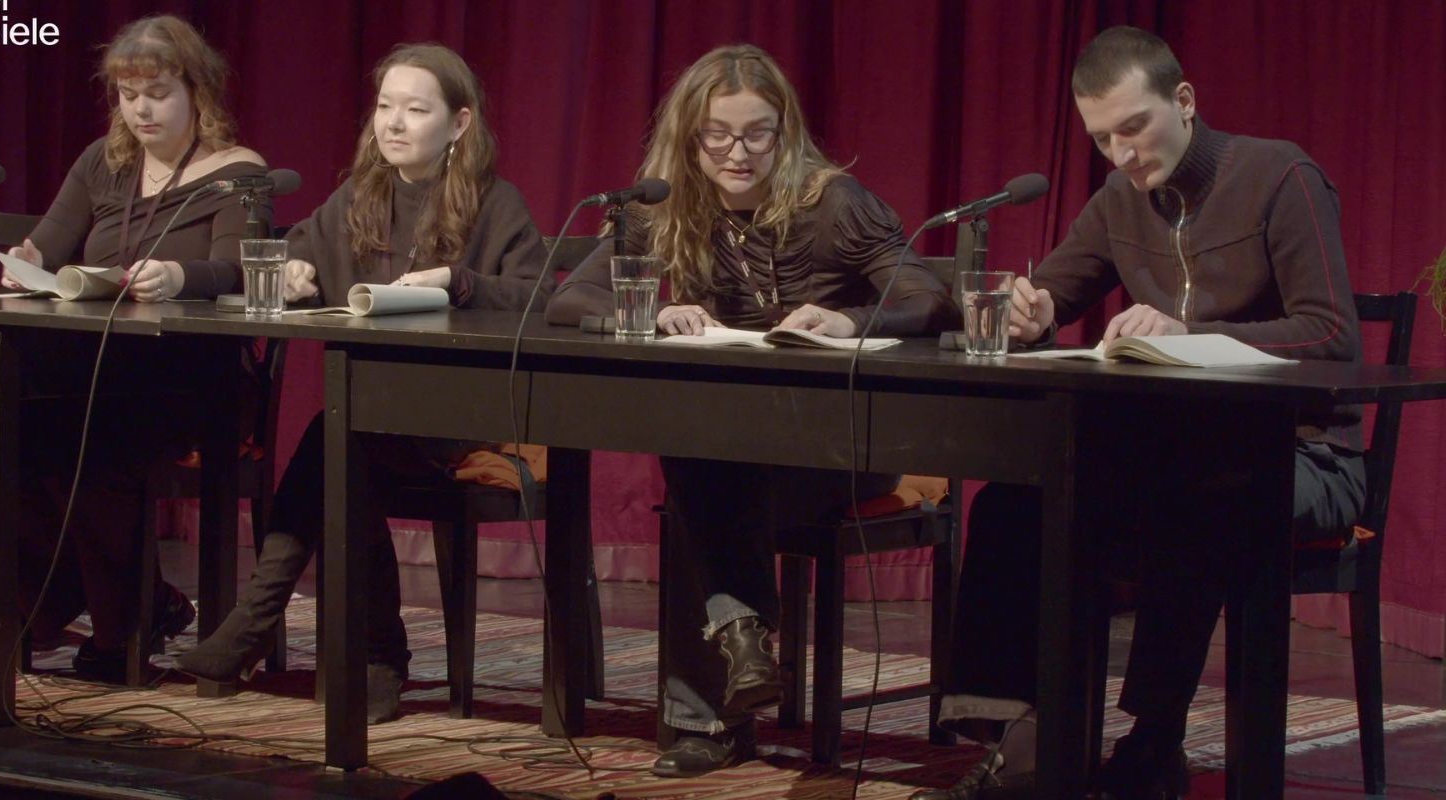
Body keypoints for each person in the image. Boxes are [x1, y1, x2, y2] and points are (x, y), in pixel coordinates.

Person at [916, 27, 1365, 799]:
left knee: (1198, 494)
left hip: (1306, 458)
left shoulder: (1278, 175)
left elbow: (1332, 333)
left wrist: (1191, 334)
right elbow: (1058, 288)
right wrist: (1033, 310)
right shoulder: (1122, 198)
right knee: (1018, 500)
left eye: (1133, 127)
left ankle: (1154, 744)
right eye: (1101, 139)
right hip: (1183, 460)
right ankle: (1027, 732)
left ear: (1183, 102)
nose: (1121, 154)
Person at [546, 44, 959, 777]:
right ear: (691, 135)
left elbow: (925, 294)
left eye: (757, 133)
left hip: (843, 450)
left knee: (700, 475)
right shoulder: (666, 203)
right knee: (703, 459)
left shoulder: (832, 201)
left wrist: (851, 322)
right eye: (719, 135)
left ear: (785, 131)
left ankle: (716, 704)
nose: (738, 152)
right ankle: (739, 655)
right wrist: (651, 311)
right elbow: (573, 296)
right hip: (732, 451)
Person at [176, 43, 550, 723]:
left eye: (416, 108)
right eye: (385, 106)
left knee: (334, 438)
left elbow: (537, 298)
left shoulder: (496, 204)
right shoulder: (360, 195)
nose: (394, 123)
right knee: (345, 444)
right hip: (376, 419)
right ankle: (374, 656)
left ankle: (279, 627)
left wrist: (456, 282)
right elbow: (299, 252)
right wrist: (290, 272)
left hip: (468, 419)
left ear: (460, 124)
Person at [0, 14, 269, 682]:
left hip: (194, 380)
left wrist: (179, 276)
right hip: (97, 369)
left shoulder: (239, 173)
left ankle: (113, 626)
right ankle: (121, 602)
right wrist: (26, 260)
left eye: (158, 93)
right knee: (1, 436)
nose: (140, 109)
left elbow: (240, 270)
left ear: (198, 92)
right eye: (128, 94)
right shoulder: (103, 162)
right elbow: (49, 245)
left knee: (95, 442)